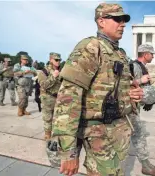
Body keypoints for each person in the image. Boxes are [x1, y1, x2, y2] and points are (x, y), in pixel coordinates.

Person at [46, 3, 144, 176]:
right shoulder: (91, 47)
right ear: (101, 21)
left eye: (124, 20)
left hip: (117, 133)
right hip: (98, 134)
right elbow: (68, 98)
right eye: (117, 19)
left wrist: (131, 95)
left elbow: (117, 88)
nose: (122, 24)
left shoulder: (119, 53)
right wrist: (68, 151)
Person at [129, 43, 155, 176]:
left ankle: (146, 164)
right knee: (139, 135)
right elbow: (124, 84)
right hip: (129, 109)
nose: (153, 56)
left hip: (135, 107)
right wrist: (140, 80)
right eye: (151, 54)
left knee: (137, 135)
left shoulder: (141, 67)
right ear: (145, 54)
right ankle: (145, 165)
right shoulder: (133, 66)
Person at [37, 52, 62, 140]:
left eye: (59, 60)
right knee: (48, 117)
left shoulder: (61, 71)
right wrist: (53, 77)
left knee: (58, 118)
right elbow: (44, 85)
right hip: (48, 97)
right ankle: (47, 134)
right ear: (50, 60)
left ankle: (56, 134)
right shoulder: (43, 72)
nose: (58, 62)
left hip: (59, 98)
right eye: (56, 60)